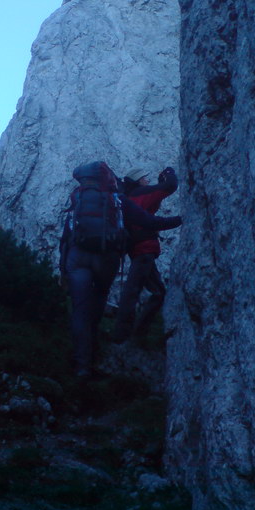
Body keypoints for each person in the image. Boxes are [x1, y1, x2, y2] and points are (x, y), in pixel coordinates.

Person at [60, 161, 181, 380]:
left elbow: (66, 236)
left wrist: (63, 271)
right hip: (107, 259)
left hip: (77, 257)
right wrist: (179, 220)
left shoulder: (77, 198)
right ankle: (97, 351)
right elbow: (147, 221)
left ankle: (81, 365)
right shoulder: (116, 199)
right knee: (97, 303)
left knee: (79, 310)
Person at [112, 165, 178, 344]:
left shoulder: (131, 197)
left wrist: (158, 183)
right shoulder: (142, 194)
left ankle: (134, 333)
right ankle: (128, 335)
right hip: (145, 249)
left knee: (157, 291)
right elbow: (171, 186)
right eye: (144, 178)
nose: (147, 180)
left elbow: (153, 197)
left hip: (137, 249)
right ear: (139, 181)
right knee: (134, 290)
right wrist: (169, 172)